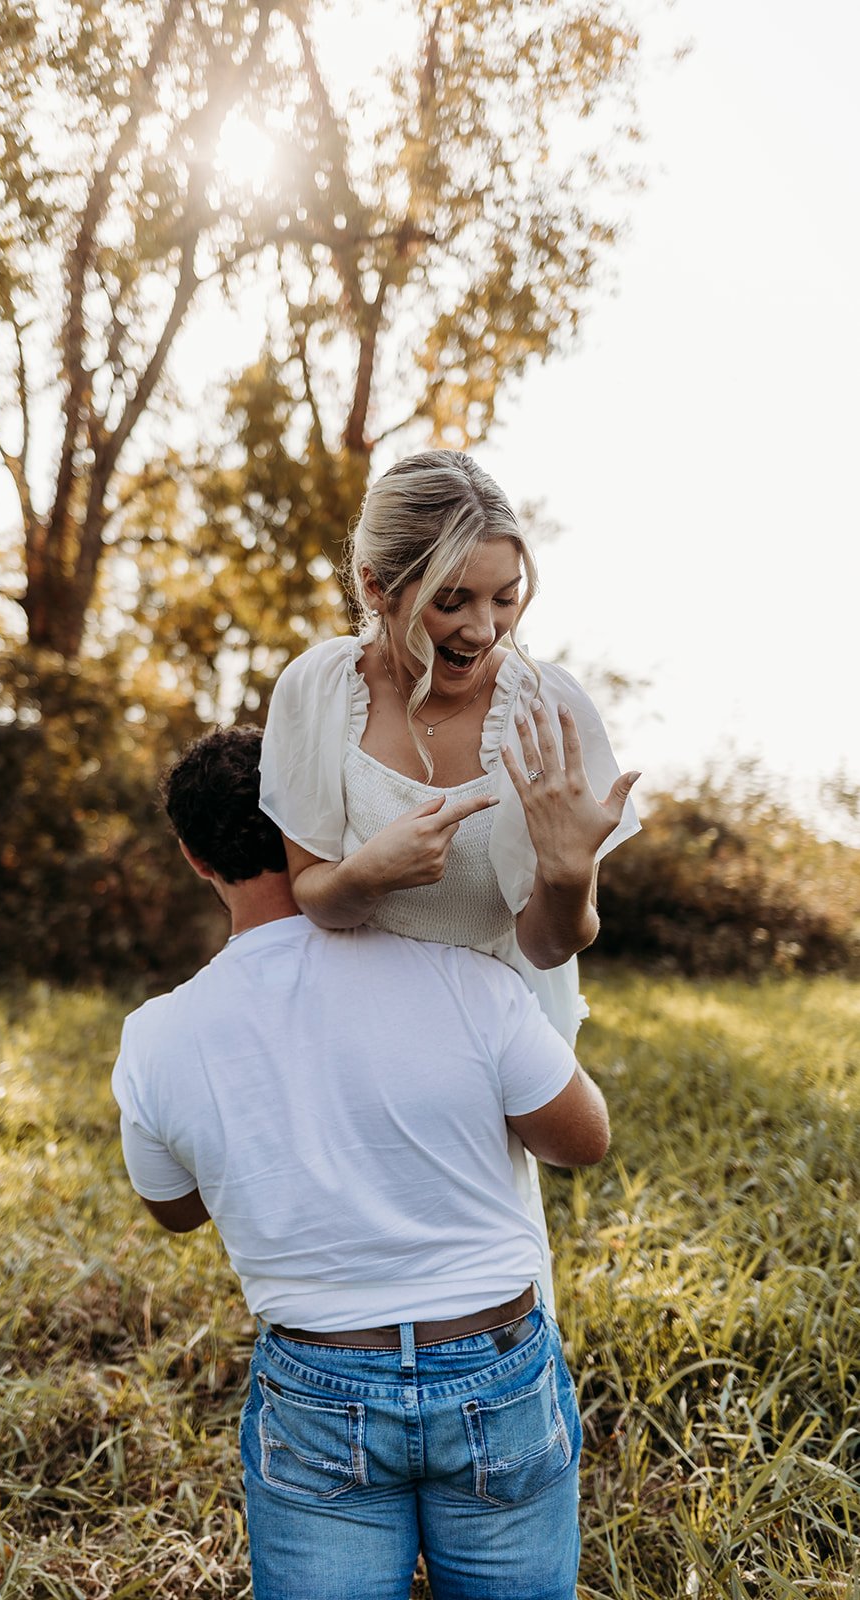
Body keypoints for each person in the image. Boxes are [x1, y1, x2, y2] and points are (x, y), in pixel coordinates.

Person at [112, 725, 612, 1600]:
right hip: (493, 1365)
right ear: (331, 814)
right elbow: (581, 1141)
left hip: (316, 1380)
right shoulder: (461, 975)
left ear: (194, 858)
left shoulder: (156, 1036)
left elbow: (175, 1209)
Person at [258, 448, 640, 1306]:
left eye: (505, 598)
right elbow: (312, 894)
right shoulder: (317, 691)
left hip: (496, 1023)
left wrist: (568, 875)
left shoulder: (549, 710)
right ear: (375, 586)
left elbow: (547, 946)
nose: (483, 628)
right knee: (359, 1264)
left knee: (487, 1268)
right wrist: (370, 873)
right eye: (451, 600)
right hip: (358, 1015)